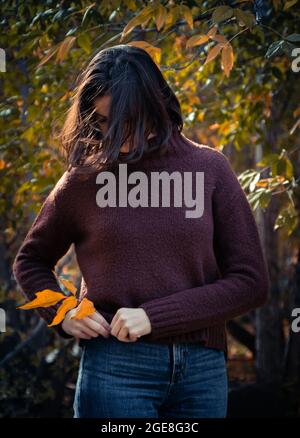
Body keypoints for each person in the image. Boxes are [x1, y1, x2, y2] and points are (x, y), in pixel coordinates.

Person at [12, 44, 270, 419]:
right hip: (115, 367)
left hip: (202, 370)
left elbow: (250, 282)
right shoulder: (85, 180)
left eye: (125, 122)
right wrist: (63, 311)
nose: (114, 136)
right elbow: (31, 261)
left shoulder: (210, 169)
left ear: (156, 103)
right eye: (100, 122)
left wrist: (155, 316)